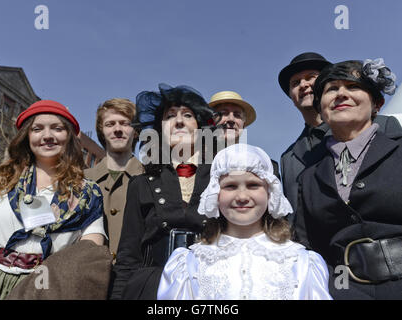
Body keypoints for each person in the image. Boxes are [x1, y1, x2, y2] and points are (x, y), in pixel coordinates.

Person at [157, 144, 332, 300]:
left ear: (270, 192)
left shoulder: (300, 261)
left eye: (253, 185)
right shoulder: (190, 262)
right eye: (230, 186)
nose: (242, 197)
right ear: (215, 193)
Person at [295, 59, 402, 299]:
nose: (341, 94)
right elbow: (309, 247)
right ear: (321, 109)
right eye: (331, 89)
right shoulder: (309, 177)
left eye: (353, 86)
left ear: (377, 103)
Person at [0, 100, 106, 300]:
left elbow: (89, 251)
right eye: (37, 129)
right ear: (27, 136)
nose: (47, 136)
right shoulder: (1, 183)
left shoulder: (87, 193)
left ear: (68, 136)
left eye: (57, 128)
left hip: (44, 289)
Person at [110, 83, 219, 300]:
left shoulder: (223, 179)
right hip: (151, 288)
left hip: (211, 287)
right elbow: (127, 257)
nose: (179, 121)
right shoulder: (141, 184)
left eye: (187, 115)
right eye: (170, 116)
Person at [278, 52, 400, 217]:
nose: (304, 84)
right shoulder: (289, 157)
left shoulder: (383, 125)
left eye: (310, 77)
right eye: (295, 83)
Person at [85, 98, 144, 262]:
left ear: (136, 131)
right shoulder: (82, 179)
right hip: (88, 276)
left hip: (133, 278)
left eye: (125, 124)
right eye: (110, 124)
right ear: (101, 131)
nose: (117, 129)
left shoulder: (152, 179)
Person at [209, 90, 280, 179]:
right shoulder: (193, 165)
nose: (231, 119)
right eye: (223, 113)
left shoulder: (265, 165)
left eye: (237, 115)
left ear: (244, 124)